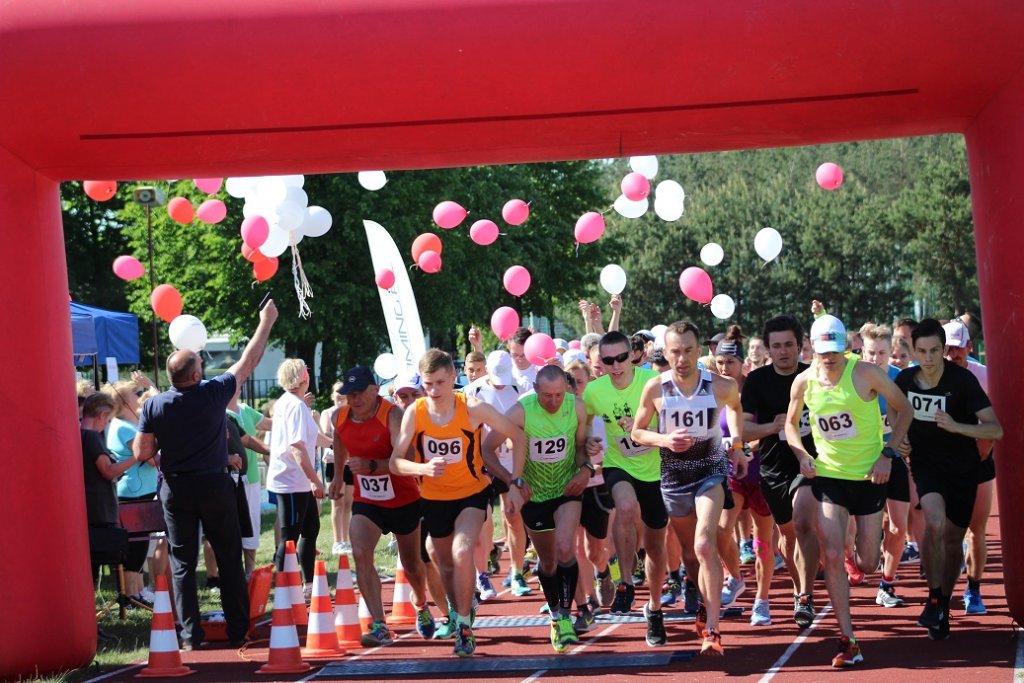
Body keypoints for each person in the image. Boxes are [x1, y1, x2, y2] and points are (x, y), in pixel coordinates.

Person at [135, 300, 278, 649]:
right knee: (228, 555)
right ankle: (237, 630)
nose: (204, 363)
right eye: (200, 362)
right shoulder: (213, 393)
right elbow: (249, 361)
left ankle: (189, 636)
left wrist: (168, 443)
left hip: (176, 487)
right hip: (214, 484)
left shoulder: (153, 404)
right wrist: (266, 322)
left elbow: (141, 452)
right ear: (196, 376)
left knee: (182, 563)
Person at [785, 314, 912, 668]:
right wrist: (801, 453)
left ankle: (858, 554)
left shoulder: (866, 373)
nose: (829, 358)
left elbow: (905, 409)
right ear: (813, 349)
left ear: (846, 347)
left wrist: (888, 454)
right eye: (823, 351)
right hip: (829, 476)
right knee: (830, 551)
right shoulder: (804, 382)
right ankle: (848, 639)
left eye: (835, 351)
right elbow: (790, 424)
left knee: (868, 562)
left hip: (870, 476)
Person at [390, 349, 526, 657]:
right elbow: (395, 463)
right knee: (444, 563)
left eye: (440, 383)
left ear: (454, 377)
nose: (434, 390)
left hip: (471, 493)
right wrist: (423, 468)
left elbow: (518, 436)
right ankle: (460, 609)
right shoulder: (416, 412)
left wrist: (515, 482)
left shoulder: (473, 408)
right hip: (434, 498)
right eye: (428, 384)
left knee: (462, 551)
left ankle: (464, 626)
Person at [632, 321, 746, 655]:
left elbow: (735, 408)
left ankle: (713, 628)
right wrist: (665, 439)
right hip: (674, 478)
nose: (682, 359)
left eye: (687, 351)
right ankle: (695, 596)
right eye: (675, 352)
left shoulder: (721, 385)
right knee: (689, 553)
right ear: (665, 354)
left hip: (710, 471)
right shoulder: (656, 388)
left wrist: (737, 445)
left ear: (699, 351)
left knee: (704, 543)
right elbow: (637, 432)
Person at [896, 319, 1002, 639]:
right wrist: (901, 439)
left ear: (943, 350)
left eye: (934, 351)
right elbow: (895, 411)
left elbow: (995, 429)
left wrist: (957, 426)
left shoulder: (963, 381)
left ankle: (943, 602)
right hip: (926, 466)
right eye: (922, 351)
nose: (928, 358)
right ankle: (933, 599)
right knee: (934, 523)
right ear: (913, 351)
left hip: (964, 470)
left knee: (954, 540)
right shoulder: (905, 380)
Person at [483, 365, 591, 653]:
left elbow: (581, 447)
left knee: (566, 547)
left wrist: (586, 470)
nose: (554, 401)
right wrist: (512, 481)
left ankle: (565, 616)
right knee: (549, 562)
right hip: (534, 495)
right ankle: (555, 614)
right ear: (535, 388)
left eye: (559, 395)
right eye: (547, 396)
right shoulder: (521, 411)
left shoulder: (577, 407)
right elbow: (486, 449)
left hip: (567, 489)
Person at [330, 365, 434, 645]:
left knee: (412, 565)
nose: (354, 399)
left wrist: (371, 465)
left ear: (375, 390)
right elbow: (339, 439)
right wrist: (338, 476)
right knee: (361, 553)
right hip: (368, 501)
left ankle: (420, 602)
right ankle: (379, 624)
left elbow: (408, 458)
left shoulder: (392, 415)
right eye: (349, 394)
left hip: (403, 498)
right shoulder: (339, 417)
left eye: (359, 393)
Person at [741, 315, 820, 628]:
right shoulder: (757, 381)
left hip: (810, 463)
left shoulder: (814, 375)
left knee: (803, 522)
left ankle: (806, 595)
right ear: (767, 349)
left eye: (789, 344)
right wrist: (772, 427)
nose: (783, 351)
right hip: (773, 468)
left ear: (800, 346)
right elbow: (743, 430)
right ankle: (800, 589)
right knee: (787, 535)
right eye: (777, 346)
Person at [582, 331, 664, 626]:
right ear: (599, 362)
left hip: (656, 468)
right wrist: (588, 441)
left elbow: (671, 424)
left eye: (621, 358)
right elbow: (584, 425)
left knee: (656, 542)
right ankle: (625, 582)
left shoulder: (652, 382)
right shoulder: (594, 391)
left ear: (632, 356)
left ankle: (660, 598)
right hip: (619, 464)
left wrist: (643, 430)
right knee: (625, 507)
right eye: (608, 361)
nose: (615, 365)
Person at [713, 339, 774, 626]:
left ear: (742, 363)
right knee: (721, 532)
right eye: (720, 362)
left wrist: (748, 446)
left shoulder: (755, 389)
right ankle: (735, 578)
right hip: (731, 473)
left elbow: (767, 428)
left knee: (764, 543)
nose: (725, 368)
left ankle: (762, 600)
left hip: (760, 473)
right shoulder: (714, 392)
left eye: (731, 362)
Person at [465, 350, 529, 598]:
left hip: (508, 462)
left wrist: (513, 441)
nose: (501, 384)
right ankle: (481, 572)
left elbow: (523, 427)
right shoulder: (473, 391)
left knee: (513, 515)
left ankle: (517, 572)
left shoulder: (519, 387)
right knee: (483, 520)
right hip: (480, 463)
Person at [941, 319, 994, 615]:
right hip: (943, 463)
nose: (953, 355)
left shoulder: (984, 376)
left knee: (976, 529)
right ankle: (940, 592)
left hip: (978, 460)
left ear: (969, 347)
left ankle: (974, 590)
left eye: (958, 348)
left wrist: (982, 451)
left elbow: (996, 421)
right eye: (948, 349)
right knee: (944, 530)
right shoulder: (931, 376)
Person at [267, 358, 331, 594]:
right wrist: (315, 480)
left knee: (311, 528)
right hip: (291, 481)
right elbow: (297, 447)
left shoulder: (295, 403)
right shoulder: (294, 405)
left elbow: (312, 437)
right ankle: (284, 590)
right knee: (290, 536)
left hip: (298, 481)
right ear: (304, 377)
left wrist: (335, 444)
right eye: (307, 372)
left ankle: (308, 584)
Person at [858, 323, 912, 608]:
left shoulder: (900, 379)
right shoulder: (852, 377)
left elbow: (909, 415)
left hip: (893, 458)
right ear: (861, 352)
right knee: (857, 529)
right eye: (870, 352)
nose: (875, 358)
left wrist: (904, 441)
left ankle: (886, 584)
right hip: (859, 461)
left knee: (899, 526)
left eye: (881, 353)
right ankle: (853, 560)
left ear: (890, 352)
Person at [82, 392, 140, 645]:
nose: (107, 424)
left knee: (90, 575)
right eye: (107, 419)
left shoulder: (80, 435)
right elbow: (107, 471)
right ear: (102, 415)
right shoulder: (91, 437)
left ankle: (91, 627)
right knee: (90, 575)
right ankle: (89, 628)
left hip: (91, 513)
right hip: (96, 514)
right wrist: (136, 457)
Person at [508, 327, 538, 393]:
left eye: (524, 355)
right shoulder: (504, 367)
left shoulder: (542, 369)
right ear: (508, 348)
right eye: (515, 355)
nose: (520, 360)